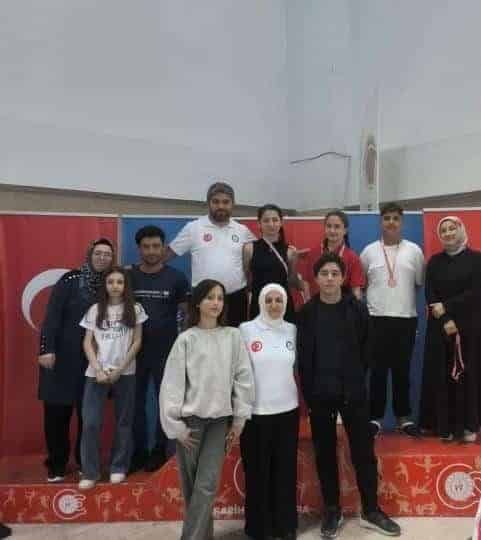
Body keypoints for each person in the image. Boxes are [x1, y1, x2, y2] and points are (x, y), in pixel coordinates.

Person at [297, 252, 401, 539]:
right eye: (324, 274)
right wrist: (311, 393)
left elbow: (368, 350)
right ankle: (332, 510)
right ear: (316, 278)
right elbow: (303, 358)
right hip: (320, 395)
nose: (330, 278)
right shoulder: (307, 313)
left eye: (335, 273)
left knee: (363, 453)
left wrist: (355, 380)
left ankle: (371, 510)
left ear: (343, 278)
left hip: (353, 393)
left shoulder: (357, 309)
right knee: (325, 454)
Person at [159, 279, 254, 540]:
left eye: (220, 298)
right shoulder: (186, 340)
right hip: (190, 423)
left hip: (219, 422)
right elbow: (172, 384)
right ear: (198, 303)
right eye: (210, 297)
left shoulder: (233, 336)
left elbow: (243, 378)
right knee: (192, 488)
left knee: (207, 485)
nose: (216, 302)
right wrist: (175, 426)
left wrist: (239, 420)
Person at [38, 238, 114, 482]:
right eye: (98, 253)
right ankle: (57, 464)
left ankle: (85, 461)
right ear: (90, 255)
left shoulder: (112, 285)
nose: (102, 258)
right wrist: (46, 349)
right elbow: (52, 315)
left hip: (93, 360)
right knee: (56, 414)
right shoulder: (70, 280)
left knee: (88, 415)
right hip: (61, 358)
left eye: (107, 254)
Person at [78, 266, 148, 490]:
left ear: (126, 285)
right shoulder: (95, 309)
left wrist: (119, 369)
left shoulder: (135, 309)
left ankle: (118, 467)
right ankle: (90, 472)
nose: (115, 286)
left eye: (120, 282)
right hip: (96, 373)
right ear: (105, 285)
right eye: (111, 282)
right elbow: (87, 342)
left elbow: (137, 341)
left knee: (124, 422)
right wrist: (98, 369)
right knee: (90, 423)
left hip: (125, 372)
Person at [239, 283, 299, 540]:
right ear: (261, 302)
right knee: (257, 472)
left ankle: (285, 525)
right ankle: (259, 528)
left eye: (279, 300)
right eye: (269, 300)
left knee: (285, 471)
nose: (274, 305)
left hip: (288, 411)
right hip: (255, 414)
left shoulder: (292, 330)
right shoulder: (245, 330)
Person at [129, 225, 190, 473]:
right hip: (132, 352)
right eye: (146, 247)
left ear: (164, 248)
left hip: (166, 351)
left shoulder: (177, 278)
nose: (152, 251)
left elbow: (187, 314)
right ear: (139, 249)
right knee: (134, 404)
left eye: (156, 246)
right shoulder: (128, 276)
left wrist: (184, 345)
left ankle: (159, 450)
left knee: (165, 403)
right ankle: (138, 452)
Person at [360, 202, 424, 438]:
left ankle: (403, 419)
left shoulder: (414, 251)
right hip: (375, 319)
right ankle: (375, 418)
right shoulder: (368, 252)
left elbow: (418, 283)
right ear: (381, 221)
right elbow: (363, 284)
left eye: (395, 218)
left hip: (405, 319)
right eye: (387, 218)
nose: (391, 222)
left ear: (401, 222)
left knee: (402, 372)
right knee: (377, 372)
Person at [419, 216, 481, 443]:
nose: (447, 233)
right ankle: (442, 426)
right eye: (443, 230)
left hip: (469, 327)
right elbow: (430, 294)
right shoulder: (434, 262)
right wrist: (445, 318)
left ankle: (468, 425)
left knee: (467, 374)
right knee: (442, 374)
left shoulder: (477, 260)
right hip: (440, 327)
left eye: (452, 228)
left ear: (460, 230)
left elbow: (476, 292)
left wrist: (448, 307)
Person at [164, 181, 256, 326]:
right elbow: (166, 255)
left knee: (235, 338)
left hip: (236, 299)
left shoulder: (242, 231)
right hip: (203, 298)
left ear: (233, 204)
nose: (221, 206)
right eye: (216, 201)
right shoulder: (193, 228)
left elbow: (260, 256)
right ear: (208, 203)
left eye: (226, 202)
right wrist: (139, 269)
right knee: (202, 337)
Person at [242, 204, 302, 323]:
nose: (271, 224)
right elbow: (246, 279)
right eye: (266, 220)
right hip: (259, 303)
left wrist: (303, 284)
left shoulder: (291, 251)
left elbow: (292, 281)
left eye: (275, 220)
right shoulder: (249, 248)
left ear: (281, 222)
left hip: (282, 304)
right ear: (259, 224)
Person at [306, 210, 365, 300]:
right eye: (329, 226)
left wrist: (355, 308)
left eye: (337, 227)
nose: (332, 231)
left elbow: (356, 291)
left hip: (343, 307)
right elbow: (307, 284)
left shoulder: (352, 258)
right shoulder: (314, 253)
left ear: (345, 230)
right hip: (317, 306)